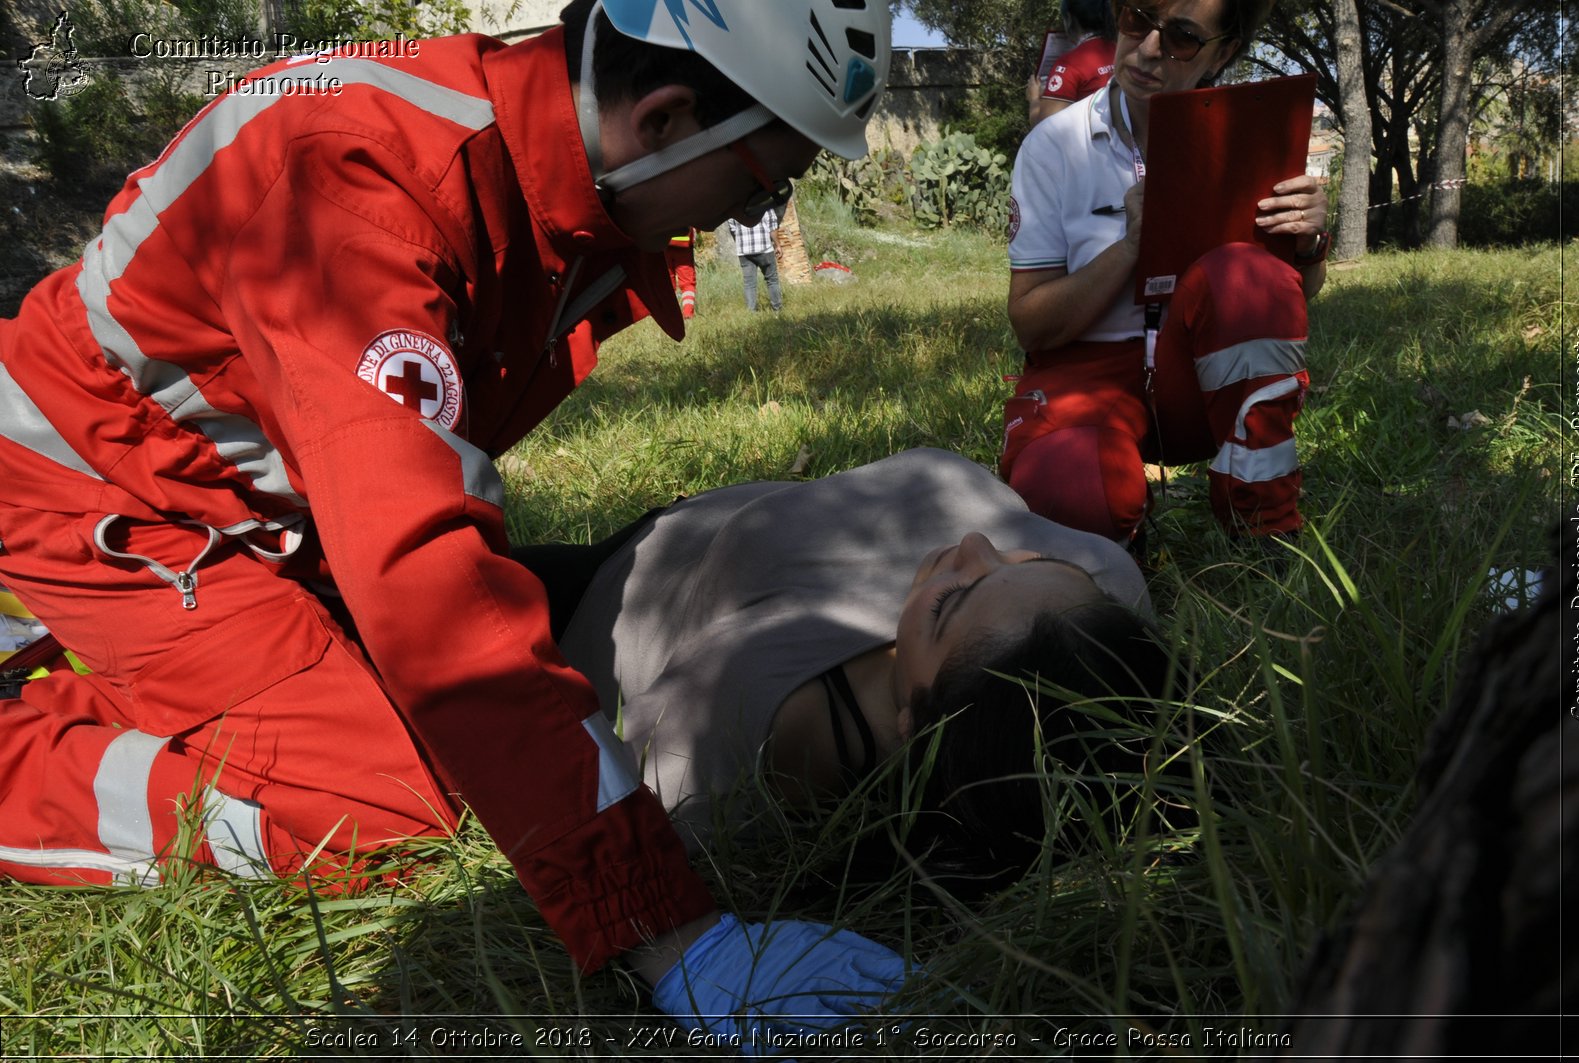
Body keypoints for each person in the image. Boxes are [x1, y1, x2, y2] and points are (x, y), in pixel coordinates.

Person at [0, 0, 909, 1042]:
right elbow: (423, 573)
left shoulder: (543, 176)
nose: (755, 211)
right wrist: (672, 932)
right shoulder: (358, 185)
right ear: (661, 119)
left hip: (268, 511)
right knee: (379, 811)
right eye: (763, 183)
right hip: (108, 493)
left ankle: (114, 672)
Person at [517, 448, 1178, 883]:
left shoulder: (753, 715)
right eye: (1036, 564)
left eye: (949, 604)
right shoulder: (1101, 604)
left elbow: (606, 839)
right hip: (702, 524)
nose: (976, 544)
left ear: (914, 722)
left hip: (602, 595)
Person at [1004, 0, 1329, 544]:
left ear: (1223, 51)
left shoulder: (1252, 137)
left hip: (1197, 378)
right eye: (1136, 19)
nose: (1148, 49)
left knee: (1249, 275)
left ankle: (1264, 530)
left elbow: (1292, 294)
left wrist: (1309, 242)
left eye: (1180, 37)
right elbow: (1031, 324)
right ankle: (1114, 510)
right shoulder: (1054, 146)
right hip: (1087, 374)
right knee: (1072, 494)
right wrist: (1133, 245)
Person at [1029, 0, 1118, 128]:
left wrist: (1034, 99)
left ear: (1069, 19)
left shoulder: (1068, 64)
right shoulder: (1120, 50)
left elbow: (1045, 129)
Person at [729, 207, 783, 312]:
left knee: (749, 283)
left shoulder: (735, 207)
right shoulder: (765, 205)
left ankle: (751, 312)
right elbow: (772, 227)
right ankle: (777, 310)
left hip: (744, 252)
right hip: (764, 249)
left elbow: (733, 229)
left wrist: (741, 243)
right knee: (772, 280)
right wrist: (778, 245)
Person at [665, 229, 698, 318]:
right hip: (684, 245)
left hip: (663, 244)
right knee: (687, 284)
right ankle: (687, 312)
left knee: (667, 284)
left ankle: (669, 314)